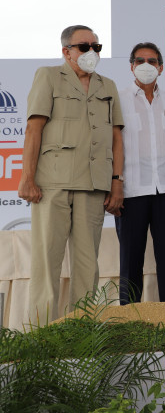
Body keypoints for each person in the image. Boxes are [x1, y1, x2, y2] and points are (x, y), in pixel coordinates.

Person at [18, 25, 124, 322]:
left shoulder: (108, 85)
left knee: (88, 264)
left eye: (96, 47)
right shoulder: (49, 76)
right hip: (52, 183)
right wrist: (27, 178)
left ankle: (82, 331)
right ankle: (40, 334)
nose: (92, 52)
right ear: (66, 51)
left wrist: (116, 182)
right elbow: (34, 129)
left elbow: (116, 138)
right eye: (84, 46)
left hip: (94, 184)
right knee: (46, 261)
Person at [117, 42, 165, 304]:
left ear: (161, 67)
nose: (146, 66)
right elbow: (111, 146)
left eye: (152, 61)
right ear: (131, 67)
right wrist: (114, 185)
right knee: (130, 262)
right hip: (130, 192)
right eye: (140, 61)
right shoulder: (118, 100)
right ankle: (129, 319)